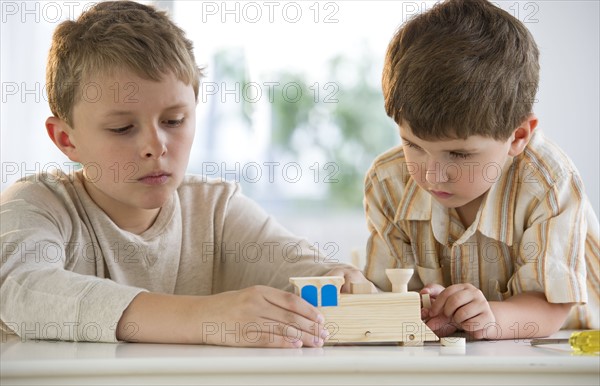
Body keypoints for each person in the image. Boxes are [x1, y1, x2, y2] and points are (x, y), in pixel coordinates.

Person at [0, 0, 367, 348]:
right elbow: (20, 290)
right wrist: (206, 317)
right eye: (122, 128)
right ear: (66, 139)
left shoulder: (214, 210)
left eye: (174, 121)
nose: (155, 146)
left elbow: (310, 273)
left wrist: (345, 282)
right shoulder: (36, 205)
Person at [363, 0, 599, 340]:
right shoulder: (388, 182)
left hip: (568, 347)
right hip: (463, 354)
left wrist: (488, 319)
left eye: (459, 154)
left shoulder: (549, 181)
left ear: (518, 136)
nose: (431, 175)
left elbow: (550, 306)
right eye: (413, 145)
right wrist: (425, 308)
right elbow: (391, 295)